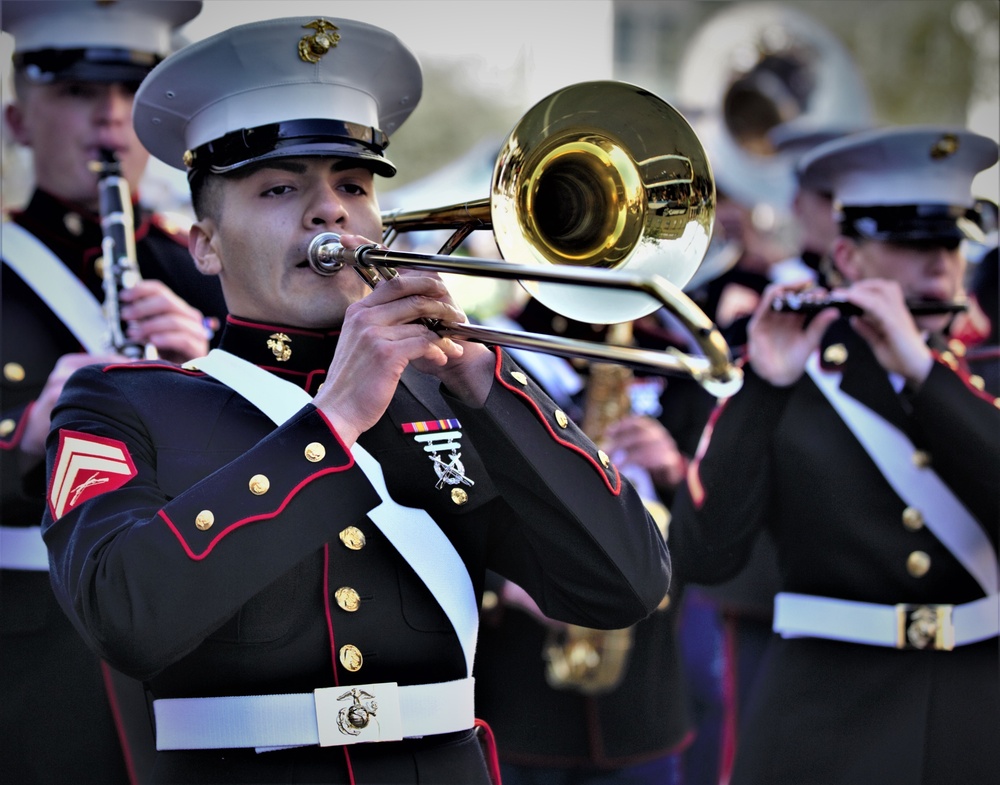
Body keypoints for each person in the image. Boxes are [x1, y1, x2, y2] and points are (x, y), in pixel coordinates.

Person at [39, 15, 671, 785]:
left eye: (353, 185)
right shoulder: (119, 403)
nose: (329, 211)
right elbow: (125, 617)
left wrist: (489, 381)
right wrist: (333, 421)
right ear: (203, 243)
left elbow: (626, 584)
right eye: (279, 188)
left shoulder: (450, 395)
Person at [669, 124, 1000, 784]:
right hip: (827, 717)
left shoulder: (984, 381)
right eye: (911, 241)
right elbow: (704, 552)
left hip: (979, 709)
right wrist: (763, 383)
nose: (940, 262)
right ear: (847, 258)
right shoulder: (790, 379)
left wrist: (923, 372)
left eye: (952, 241)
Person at [0, 3, 226, 783]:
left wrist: (213, 373)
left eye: (134, 92)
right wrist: (25, 432)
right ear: (16, 120)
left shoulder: (212, 273)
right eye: (75, 92)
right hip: (33, 674)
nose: (110, 117)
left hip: (207, 656)